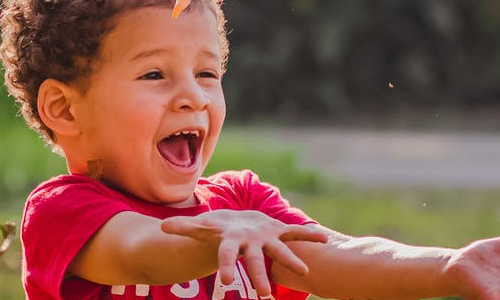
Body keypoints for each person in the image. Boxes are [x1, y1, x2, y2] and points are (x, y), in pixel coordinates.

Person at [1, 0, 500, 300]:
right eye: (154, 74)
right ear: (65, 110)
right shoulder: (62, 211)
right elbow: (142, 253)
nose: (193, 96)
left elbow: (338, 255)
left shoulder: (243, 201)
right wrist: (224, 233)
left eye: (207, 73)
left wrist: (448, 265)